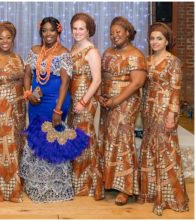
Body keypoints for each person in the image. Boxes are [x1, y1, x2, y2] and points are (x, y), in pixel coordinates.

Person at [19, 17, 74, 202]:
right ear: (40, 32)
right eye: (44, 30)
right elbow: (27, 74)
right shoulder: (34, 51)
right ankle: (37, 184)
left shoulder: (64, 53)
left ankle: (55, 186)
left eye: (51, 30)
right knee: (37, 138)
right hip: (35, 101)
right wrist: (28, 94)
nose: (48, 34)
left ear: (58, 31)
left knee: (53, 139)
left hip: (55, 102)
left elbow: (65, 83)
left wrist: (58, 110)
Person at [138, 22, 189, 216]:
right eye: (152, 38)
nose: (155, 41)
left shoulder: (173, 61)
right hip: (148, 110)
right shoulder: (147, 60)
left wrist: (171, 114)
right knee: (150, 148)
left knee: (166, 151)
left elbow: (176, 91)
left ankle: (168, 196)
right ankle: (151, 193)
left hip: (165, 108)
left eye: (159, 38)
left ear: (167, 40)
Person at [98, 16, 146, 206]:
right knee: (108, 140)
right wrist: (100, 96)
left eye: (119, 31)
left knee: (123, 141)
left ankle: (126, 188)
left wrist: (116, 100)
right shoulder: (108, 52)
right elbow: (101, 76)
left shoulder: (136, 54)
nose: (114, 35)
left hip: (126, 102)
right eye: (112, 32)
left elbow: (137, 83)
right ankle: (109, 182)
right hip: (108, 103)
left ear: (128, 32)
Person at [0, 22, 26, 203]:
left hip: (18, 108)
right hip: (1, 107)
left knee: (16, 144)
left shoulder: (18, 58)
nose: (5, 41)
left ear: (13, 39)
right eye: (1, 38)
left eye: (8, 37)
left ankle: (15, 188)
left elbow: (24, 82)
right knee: (2, 146)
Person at [67, 13, 103, 199]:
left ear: (89, 30)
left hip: (85, 101)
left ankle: (87, 184)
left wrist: (83, 102)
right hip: (74, 99)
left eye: (82, 28)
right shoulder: (74, 48)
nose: (78, 31)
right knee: (75, 138)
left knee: (83, 138)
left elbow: (96, 80)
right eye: (75, 28)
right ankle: (77, 181)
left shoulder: (91, 51)